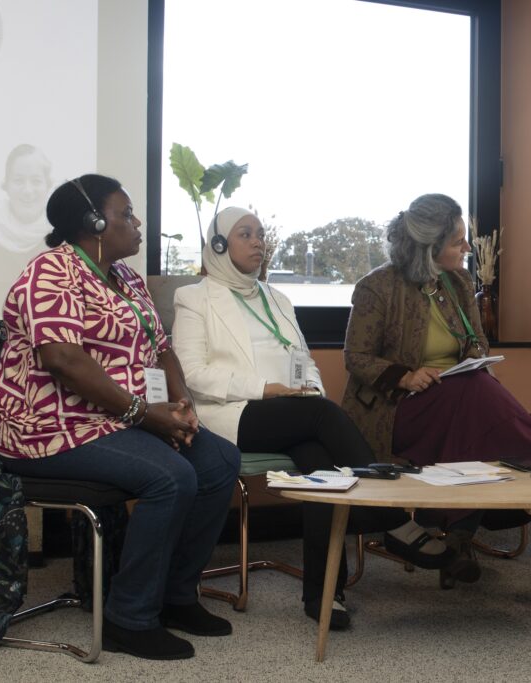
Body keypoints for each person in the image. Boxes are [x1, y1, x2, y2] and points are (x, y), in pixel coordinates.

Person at [0, 174, 240, 660]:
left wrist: (183, 407)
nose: (137, 222)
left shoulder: (126, 279)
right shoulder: (50, 273)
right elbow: (64, 360)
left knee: (218, 462)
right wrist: (147, 416)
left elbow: (162, 349)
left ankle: (175, 595)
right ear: (95, 223)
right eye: (126, 214)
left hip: (118, 420)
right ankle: (129, 617)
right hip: (47, 429)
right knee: (171, 478)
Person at [171, 206, 455, 628]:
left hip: (292, 415)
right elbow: (191, 373)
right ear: (218, 245)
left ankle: (323, 595)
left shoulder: (277, 297)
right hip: (230, 414)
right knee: (321, 418)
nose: (257, 242)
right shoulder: (194, 297)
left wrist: (309, 391)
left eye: (260, 234)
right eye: (244, 234)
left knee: (319, 465)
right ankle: (392, 519)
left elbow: (304, 360)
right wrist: (268, 390)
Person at [342, 193, 531, 589]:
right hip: (397, 408)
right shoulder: (376, 287)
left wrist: (473, 356)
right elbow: (356, 357)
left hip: (458, 402)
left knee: (472, 394)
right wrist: (405, 375)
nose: (467, 249)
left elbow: (479, 342)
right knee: (476, 396)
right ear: (429, 247)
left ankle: (457, 539)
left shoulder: (459, 281)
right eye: (458, 242)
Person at [0, 144, 53, 281]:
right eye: (18, 181)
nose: (27, 191)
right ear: (6, 185)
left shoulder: (63, 242)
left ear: (48, 185)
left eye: (36, 181)